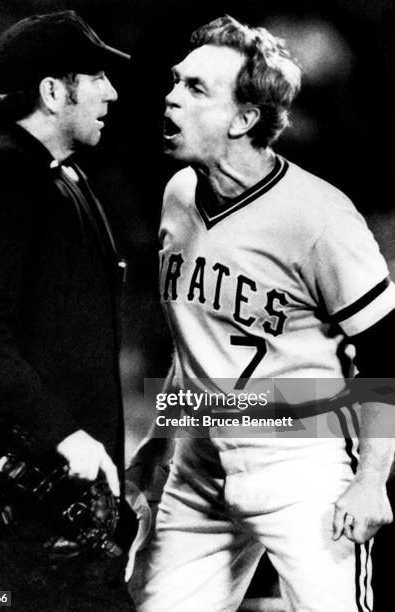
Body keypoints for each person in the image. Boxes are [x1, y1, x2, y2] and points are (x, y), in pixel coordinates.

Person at [129, 15, 395, 612]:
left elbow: (386, 352)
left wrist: (373, 476)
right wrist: (159, 439)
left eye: (196, 88)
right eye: (176, 81)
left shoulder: (318, 216)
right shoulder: (178, 195)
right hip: (200, 456)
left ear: (245, 118)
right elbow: (200, 333)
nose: (171, 96)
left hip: (301, 457)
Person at [0, 10, 136, 612]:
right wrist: (64, 437)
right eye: (96, 75)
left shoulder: (66, 174)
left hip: (67, 509)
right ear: (53, 92)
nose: (112, 91)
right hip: (10, 514)